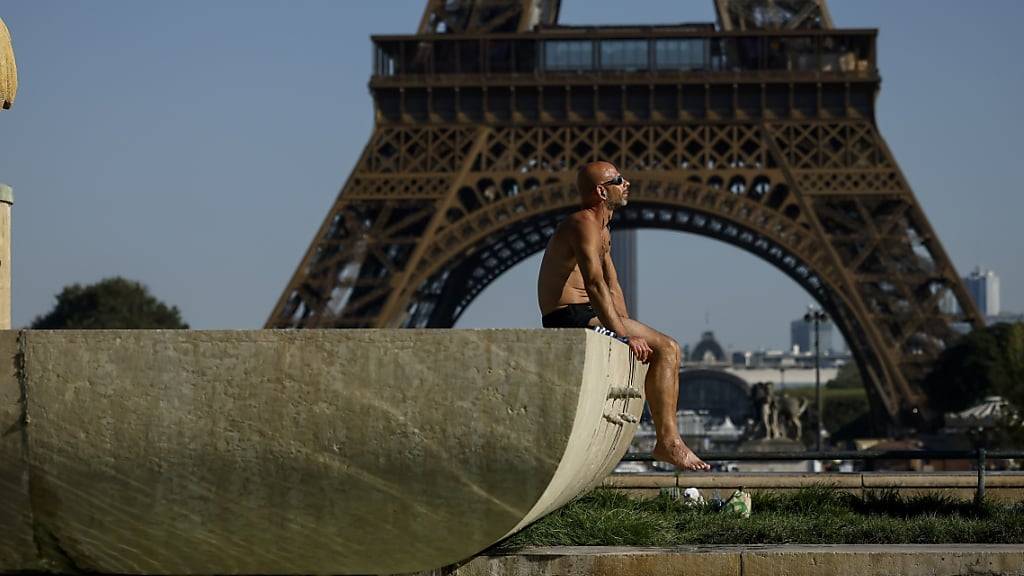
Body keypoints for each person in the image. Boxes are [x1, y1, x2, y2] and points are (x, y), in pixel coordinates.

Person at [537, 161, 710, 471]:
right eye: (618, 179)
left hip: (590, 312)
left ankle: (666, 439)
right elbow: (594, 282)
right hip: (570, 315)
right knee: (668, 348)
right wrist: (624, 334)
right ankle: (668, 442)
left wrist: (628, 327)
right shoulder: (583, 223)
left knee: (663, 347)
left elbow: (613, 284)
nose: (626, 182)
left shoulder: (602, 227)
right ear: (602, 191)